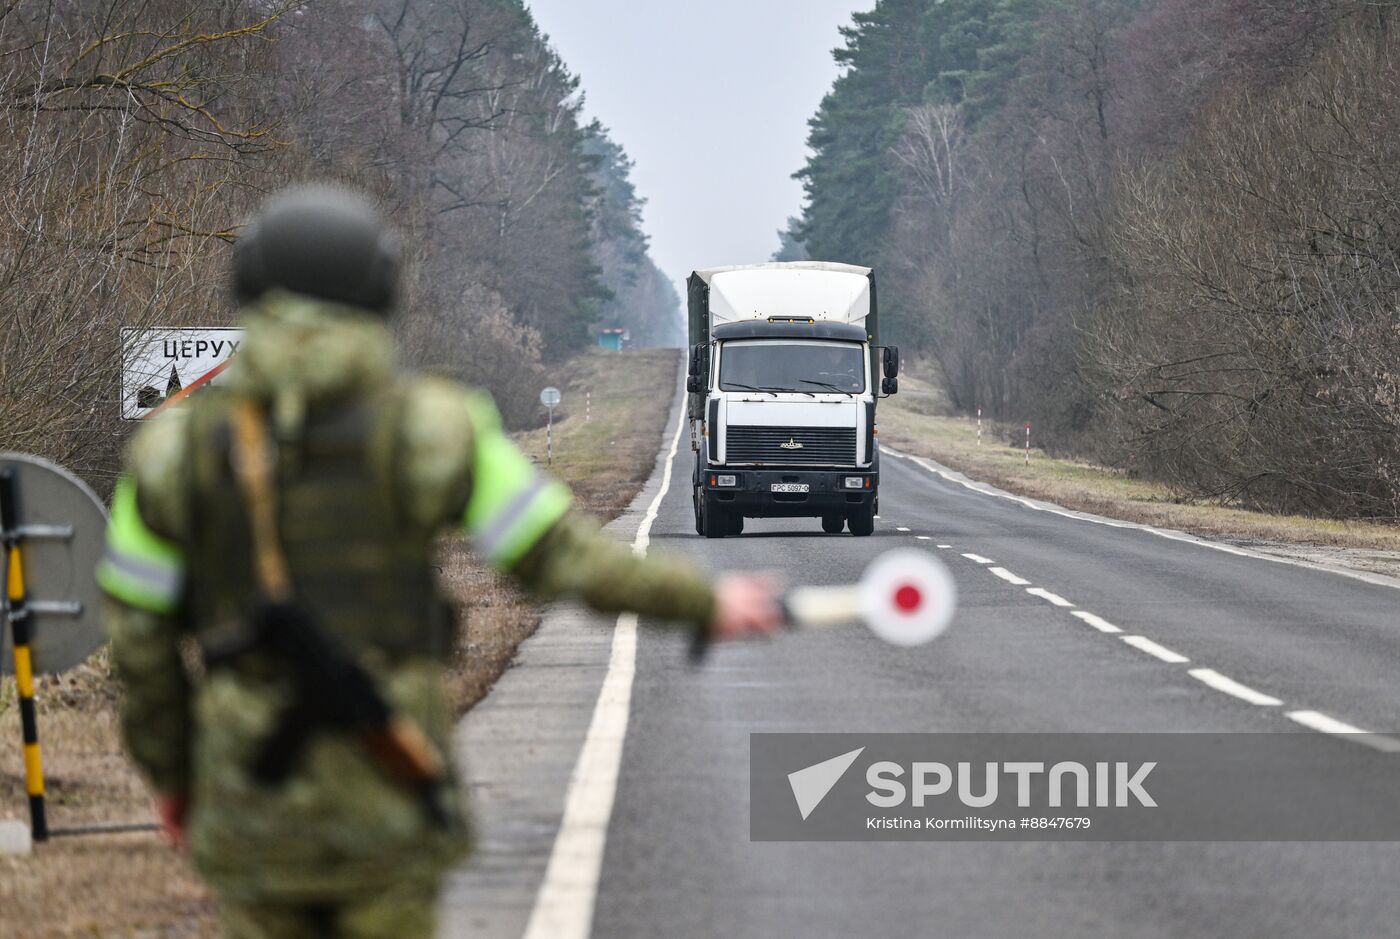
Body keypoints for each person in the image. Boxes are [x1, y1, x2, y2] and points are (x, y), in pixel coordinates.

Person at [97, 185, 783, 938]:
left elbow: (140, 641)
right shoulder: (433, 427)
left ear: (250, 288)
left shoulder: (170, 453)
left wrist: (172, 774)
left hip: (250, 791)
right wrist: (700, 601)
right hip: (389, 781)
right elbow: (564, 557)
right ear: (381, 290)